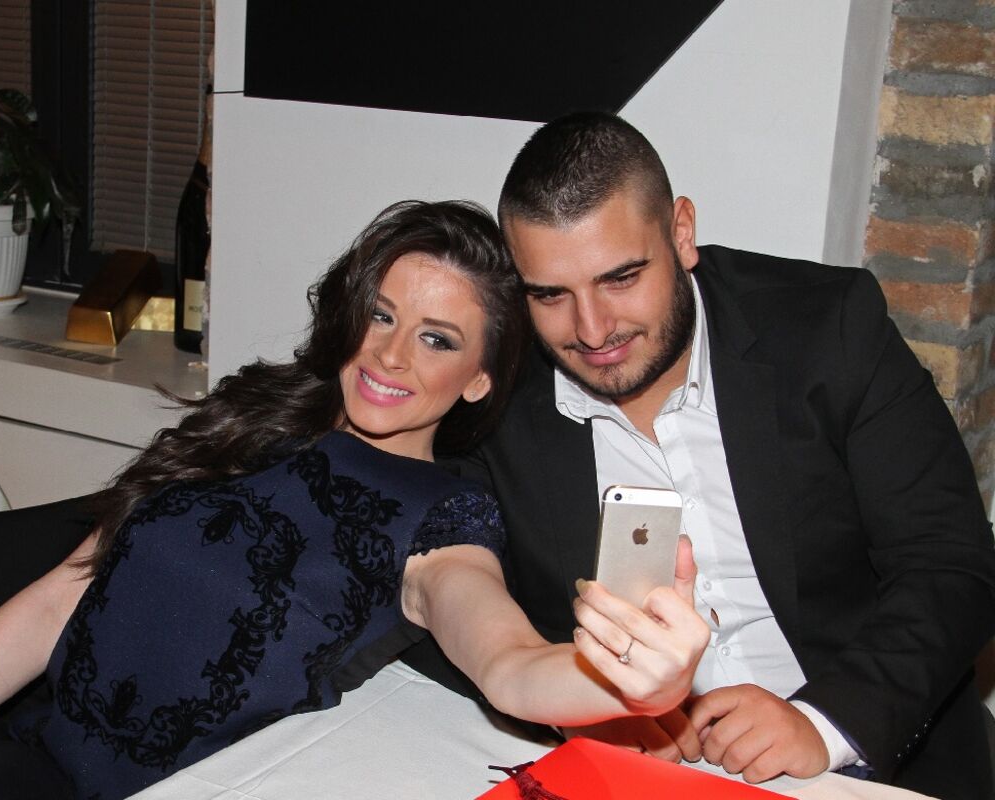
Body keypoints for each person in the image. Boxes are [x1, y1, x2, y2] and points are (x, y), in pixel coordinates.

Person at [0, 200, 709, 800]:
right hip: (29, 765)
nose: (390, 356)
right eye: (382, 315)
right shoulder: (255, 419)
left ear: (477, 380)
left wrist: (631, 677)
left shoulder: (440, 517)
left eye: (437, 339)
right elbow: (62, 596)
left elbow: (506, 663)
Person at [402, 112, 995, 800]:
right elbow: (442, 594)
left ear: (681, 233)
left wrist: (824, 723)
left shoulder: (826, 328)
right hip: (633, 777)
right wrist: (581, 705)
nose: (592, 329)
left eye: (621, 278)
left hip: (865, 762)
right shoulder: (496, 395)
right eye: (551, 294)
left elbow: (952, 564)